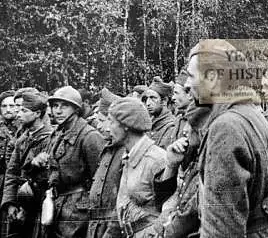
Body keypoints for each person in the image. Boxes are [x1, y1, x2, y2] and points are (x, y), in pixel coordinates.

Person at [184, 39, 268, 237]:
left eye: (190, 76)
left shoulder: (225, 127)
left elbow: (223, 226)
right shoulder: (251, 114)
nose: (186, 85)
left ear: (212, 77)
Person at [32, 85, 106, 238]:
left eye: (64, 106)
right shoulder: (58, 132)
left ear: (76, 109)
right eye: (55, 106)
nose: (58, 111)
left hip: (78, 213)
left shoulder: (89, 136)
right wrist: (36, 162)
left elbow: (100, 181)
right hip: (57, 204)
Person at [111, 97, 169, 238]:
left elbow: (171, 207)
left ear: (126, 125)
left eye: (112, 122)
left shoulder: (156, 159)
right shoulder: (128, 156)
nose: (108, 128)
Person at [153, 102, 212, 238]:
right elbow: (162, 201)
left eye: (190, 124)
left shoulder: (209, 161)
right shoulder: (191, 156)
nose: (184, 130)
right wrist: (171, 165)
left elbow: (188, 217)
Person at [1, 92, 52, 238]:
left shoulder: (50, 139)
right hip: (20, 201)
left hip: (37, 205)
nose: (18, 114)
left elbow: (44, 180)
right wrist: (10, 203)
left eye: (24, 110)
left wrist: (25, 208)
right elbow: (11, 173)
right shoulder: (22, 139)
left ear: (37, 114)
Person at [86, 88, 124, 238]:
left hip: (112, 226)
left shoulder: (125, 152)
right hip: (97, 225)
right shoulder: (108, 148)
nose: (99, 126)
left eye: (102, 121)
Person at [0, 90, 21, 237]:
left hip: (16, 185)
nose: (8, 109)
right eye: (4, 106)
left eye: (12, 105)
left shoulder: (23, 128)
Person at [141, 76, 177, 149]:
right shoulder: (150, 125)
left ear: (164, 101)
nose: (148, 103)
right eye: (146, 99)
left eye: (152, 98)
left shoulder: (171, 126)